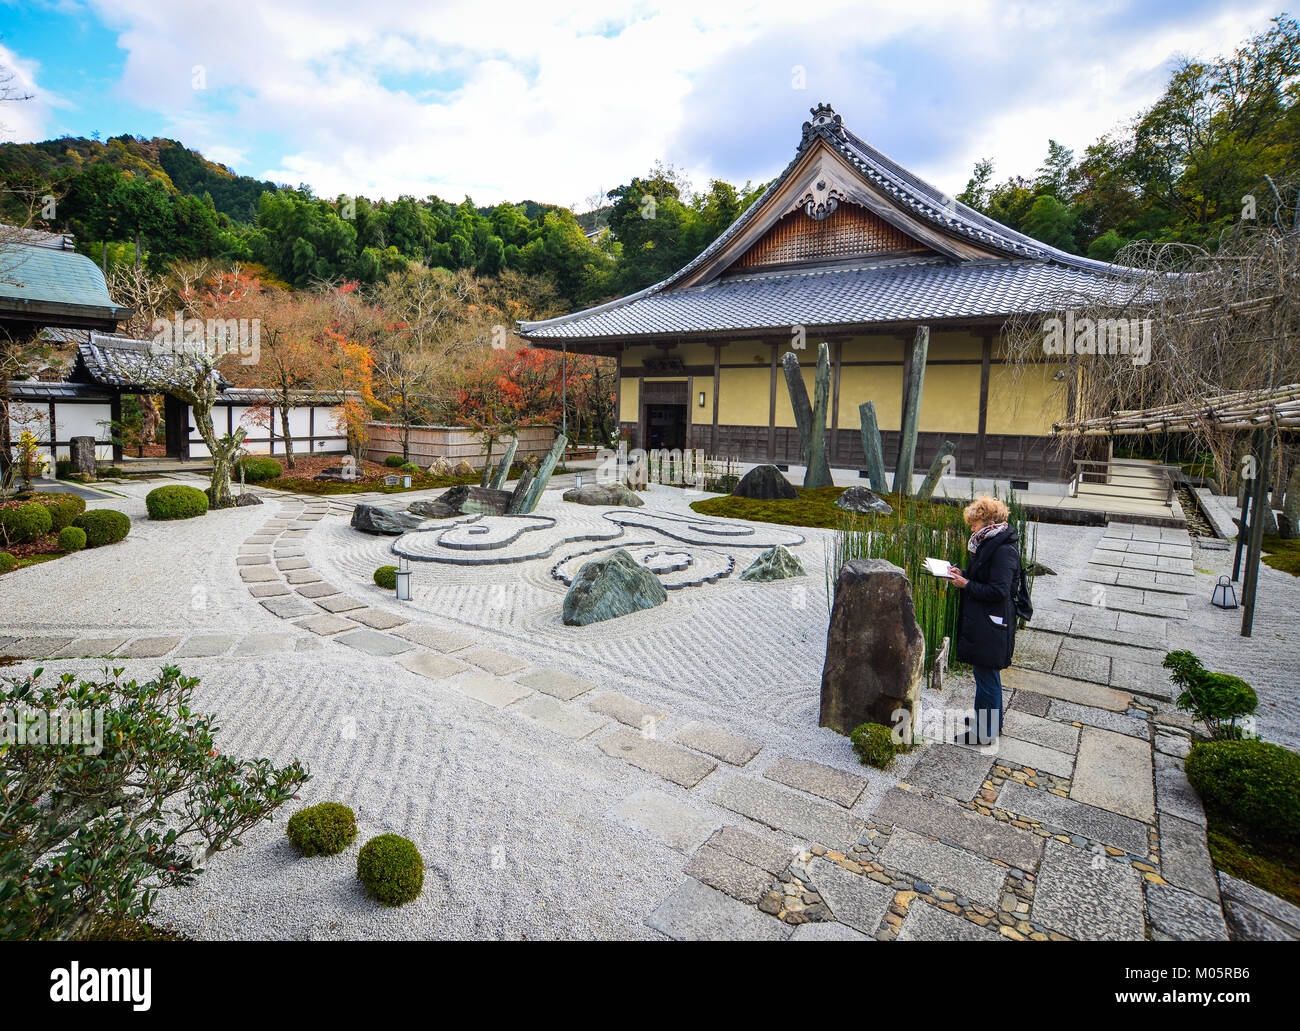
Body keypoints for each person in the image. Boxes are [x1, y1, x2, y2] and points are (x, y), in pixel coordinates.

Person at [946, 495, 1020, 745]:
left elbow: (999, 591)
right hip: (987, 620)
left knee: (986, 675)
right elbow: (985, 578)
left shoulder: (1003, 550)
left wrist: (966, 584)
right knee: (986, 674)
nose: (971, 528)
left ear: (987, 522)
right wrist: (963, 574)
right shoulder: (990, 543)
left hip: (993, 622)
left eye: (974, 524)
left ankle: (984, 732)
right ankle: (990, 720)